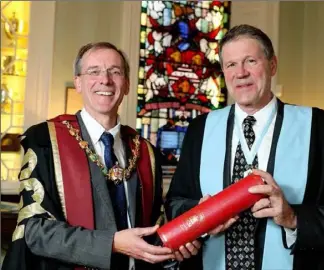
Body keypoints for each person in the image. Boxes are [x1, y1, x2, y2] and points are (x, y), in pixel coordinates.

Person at [165, 24, 324, 270]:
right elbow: (175, 203)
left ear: (272, 65)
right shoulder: (200, 129)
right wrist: (201, 217)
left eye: (251, 61)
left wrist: (294, 218)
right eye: (231, 65)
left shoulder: (321, 129)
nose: (241, 73)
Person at [2, 42, 186, 270]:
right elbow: (35, 231)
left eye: (115, 72)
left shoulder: (146, 152)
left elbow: (155, 226)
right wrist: (111, 244)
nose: (105, 80)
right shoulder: (45, 141)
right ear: (78, 82)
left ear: (127, 84)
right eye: (94, 71)